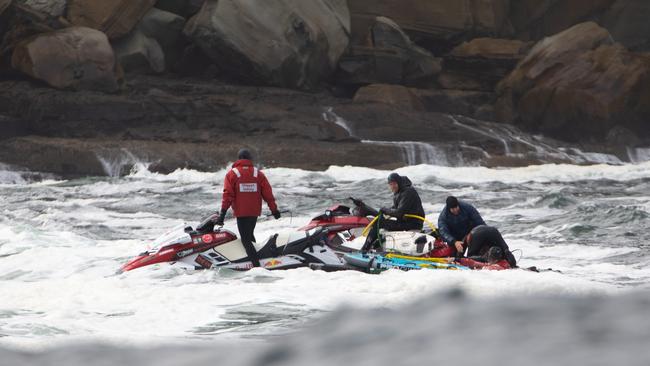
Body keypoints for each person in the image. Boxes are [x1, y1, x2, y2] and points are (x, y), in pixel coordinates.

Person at [216, 148, 280, 267]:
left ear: (239, 159)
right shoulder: (258, 173)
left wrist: (222, 215)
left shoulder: (232, 174)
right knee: (250, 237)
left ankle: (256, 267)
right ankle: (260, 261)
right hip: (254, 212)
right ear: (250, 159)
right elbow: (268, 194)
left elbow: (227, 195)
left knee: (245, 240)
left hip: (241, 213)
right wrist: (274, 210)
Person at [358, 173, 425, 251]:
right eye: (390, 184)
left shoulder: (408, 192)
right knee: (381, 221)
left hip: (413, 224)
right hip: (405, 222)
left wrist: (385, 210)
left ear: (399, 182)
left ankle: (365, 249)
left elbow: (399, 213)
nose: (392, 186)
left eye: (394, 184)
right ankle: (376, 246)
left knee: (378, 222)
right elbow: (395, 208)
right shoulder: (400, 192)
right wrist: (385, 211)